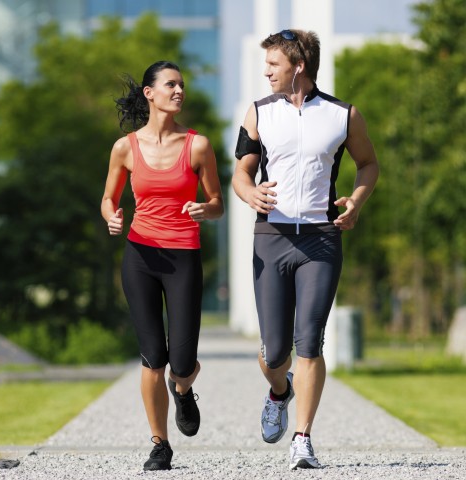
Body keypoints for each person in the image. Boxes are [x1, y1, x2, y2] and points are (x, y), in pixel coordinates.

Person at [232, 29, 379, 470]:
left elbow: (368, 164)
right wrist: (248, 194)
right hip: (271, 239)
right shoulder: (258, 112)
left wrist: (355, 201)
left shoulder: (343, 114)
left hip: (320, 239)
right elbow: (241, 172)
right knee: (275, 352)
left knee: (309, 340)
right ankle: (279, 390)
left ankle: (303, 438)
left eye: (273, 64)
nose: (266, 72)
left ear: (298, 66)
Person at [101, 60, 224, 471]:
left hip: (183, 256)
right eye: (171, 84)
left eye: (182, 85)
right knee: (153, 355)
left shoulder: (198, 146)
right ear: (149, 93)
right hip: (140, 256)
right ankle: (159, 444)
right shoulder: (125, 148)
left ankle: (183, 389)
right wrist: (112, 215)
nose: (179, 91)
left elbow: (218, 203)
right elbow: (108, 198)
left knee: (182, 362)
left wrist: (206, 210)